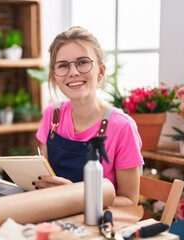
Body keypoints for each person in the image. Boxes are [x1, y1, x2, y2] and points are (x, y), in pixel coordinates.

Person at [35, 26, 144, 207]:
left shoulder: (122, 127)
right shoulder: (51, 115)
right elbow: (44, 176)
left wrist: (75, 195)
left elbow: (130, 201)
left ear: (100, 71)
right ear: (55, 76)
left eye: (82, 62)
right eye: (63, 65)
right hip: (54, 215)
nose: (73, 72)